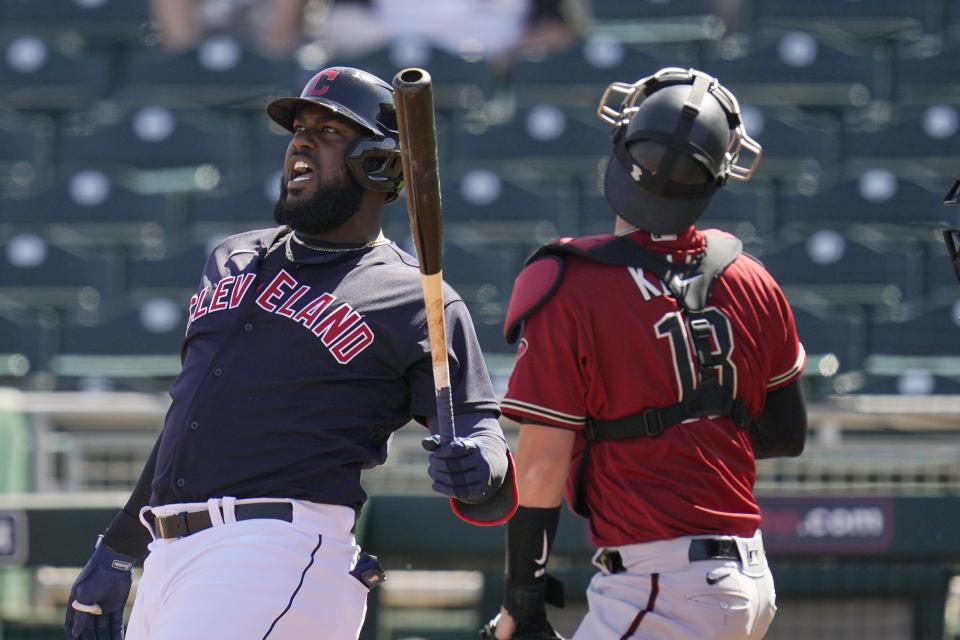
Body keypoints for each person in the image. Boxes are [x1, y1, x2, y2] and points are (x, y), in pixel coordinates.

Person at [63, 66, 517, 640]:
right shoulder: (232, 257)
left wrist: (479, 461)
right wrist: (121, 549)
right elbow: (193, 421)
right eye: (299, 128)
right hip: (172, 557)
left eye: (329, 131)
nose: (300, 141)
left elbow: (481, 427)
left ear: (378, 164)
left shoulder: (412, 295)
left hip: (279, 550)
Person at [487, 67, 808, 640]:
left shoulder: (571, 282)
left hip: (663, 585)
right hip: (749, 579)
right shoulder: (753, 277)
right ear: (716, 176)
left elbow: (539, 466)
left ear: (621, 147)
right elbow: (786, 432)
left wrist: (523, 603)